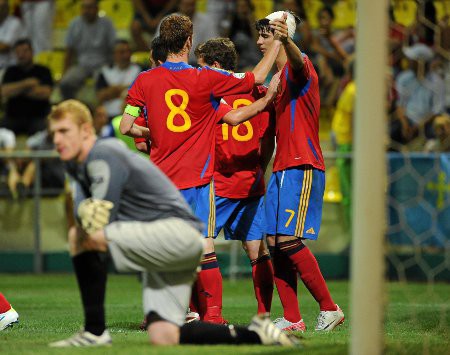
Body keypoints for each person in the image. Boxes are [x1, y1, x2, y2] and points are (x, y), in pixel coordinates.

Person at [47, 99, 298, 348]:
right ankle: (257, 335)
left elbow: (101, 217)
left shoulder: (104, 153)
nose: (57, 139)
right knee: (164, 334)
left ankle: (94, 331)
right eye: (54, 133)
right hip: (168, 239)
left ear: (86, 130)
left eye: (64, 131)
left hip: (176, 233)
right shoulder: (75, 165)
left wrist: (88, 223)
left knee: (79, 237)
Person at [120, 14, 282, 324]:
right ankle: (213, 317)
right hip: (199, 180)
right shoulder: (204, 78)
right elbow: (255, 79)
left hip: (162, 182)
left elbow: (127, 125)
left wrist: (152, 132)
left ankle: (173, 311)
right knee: (205, 248)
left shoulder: (144, 80)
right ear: (189, 42)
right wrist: (275, 45)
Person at [255, 11, 345, 332]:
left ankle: (330, 308)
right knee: (276, 242)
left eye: (266, 35)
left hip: (302, 165)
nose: (259, 41)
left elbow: (296, 61)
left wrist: (286, 40)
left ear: (281, 36)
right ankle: (292, 318)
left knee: (289, 240)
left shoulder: (300, 67)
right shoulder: (274, 83)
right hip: (281, 169)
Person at [192, 37, 275, 322]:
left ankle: (206, 313)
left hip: (220, 182)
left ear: (215, 66)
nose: (198, 71)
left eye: (201, 65)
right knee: (257, 251)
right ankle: (264, 315)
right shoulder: (258, 90)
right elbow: (267, 141)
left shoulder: (208, 94)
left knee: (198, 246)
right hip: (251, 181)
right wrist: (258, 170)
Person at [59, 0, 116, 100]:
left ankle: (99, 113)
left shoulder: (107, 23)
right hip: (82, 65)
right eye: (84, 7)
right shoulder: (74, 24)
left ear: (97, 9)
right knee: (65, 83)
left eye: (89, 7)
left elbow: (114, 48)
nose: (86, 11)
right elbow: (69, 51)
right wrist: (64, 72)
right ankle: (74, 109)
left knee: (103, 85)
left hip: (103, 64)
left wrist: (113, 67)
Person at [0, 38, 53, 136]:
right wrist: (26, 84)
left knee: (47, 131)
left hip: (38, 117)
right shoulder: (11, 71)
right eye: (18, 52)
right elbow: (4, 92)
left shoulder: (43, 70)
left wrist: (16, 90)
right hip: (13, 117)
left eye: (25, 51)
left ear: (32, 52)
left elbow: (45, 93)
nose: (21, 55)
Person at [331, 60, 355, 230]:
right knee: (348, 193)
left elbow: (355, 120)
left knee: (349, 193)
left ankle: (352, 232)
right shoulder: (353, 89)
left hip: (349, 147)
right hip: (345, 144)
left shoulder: (353, 90)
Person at [96, 39, 142, 120]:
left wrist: (113, 91)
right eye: (122, 52)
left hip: (132, 116)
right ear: (114, 54)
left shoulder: (139, 69)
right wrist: (126, 89)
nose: (126, 55)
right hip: (108, 115)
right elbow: (100, 96)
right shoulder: (105, 71)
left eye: (128, 51)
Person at [0, 0, 25, 71]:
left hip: (8, 68)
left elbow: (5, 47)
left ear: (7, 9)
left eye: (1, 8)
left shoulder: (15, 23)